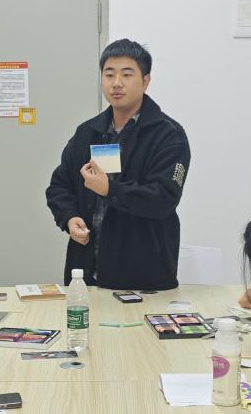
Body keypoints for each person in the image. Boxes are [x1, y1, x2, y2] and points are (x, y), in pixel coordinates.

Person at [45, 38, 191, 290]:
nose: (116, 83)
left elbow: (163, 198)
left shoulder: (168, 135)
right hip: (85, 273)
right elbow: (59, 186)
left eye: (127, 74)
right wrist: (69, 217)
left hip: (144, 276)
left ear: (146, 81)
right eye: (109, 74)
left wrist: (109, 189)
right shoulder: (88, 132)